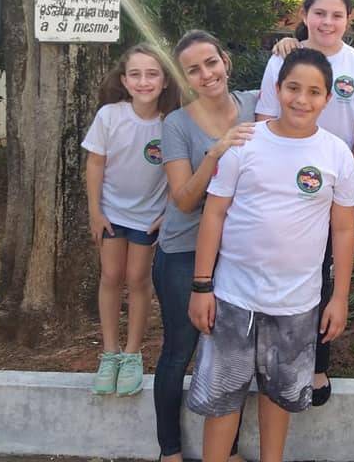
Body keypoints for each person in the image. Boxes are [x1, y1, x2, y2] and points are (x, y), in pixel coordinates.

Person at [187, 48, 354, 462]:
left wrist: (339, 297)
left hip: (297, 303)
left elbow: (343, 228)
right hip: (233, 298)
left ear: (327, 98)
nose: (302, 100)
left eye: (314, 92)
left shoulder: (336, 154)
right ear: (278, 89)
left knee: (279, 397)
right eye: (293, 88)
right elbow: (214, 214)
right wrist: (201, 286)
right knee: (222, 400)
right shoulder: (244, 142)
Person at [259, 0, 354, 405]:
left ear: (348, 20)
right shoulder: (283, 59)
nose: (327, 22)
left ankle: (317, 363)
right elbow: (263, 119)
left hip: (332, 191)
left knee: (326, 274)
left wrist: (346, 187)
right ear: (305, 14)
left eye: (336, 15)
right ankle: (267, 354)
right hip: (283, 190)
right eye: (319, 13)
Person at [153, 30, 257, 462]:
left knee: (231, 355)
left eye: (211, 62)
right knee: (180, 351)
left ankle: (227, 451)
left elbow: (297, 81)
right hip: (183, 252)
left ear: (225, 61)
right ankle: (170, 451)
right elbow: (183, 199)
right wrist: (216, 152)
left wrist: (292, 43)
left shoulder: (255, 105)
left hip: (234, 253)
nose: (206, 74)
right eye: (193, 70)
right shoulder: (176, 124)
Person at [83, 43, 181, 397]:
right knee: (111, 276)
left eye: (152, 74)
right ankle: (110, 353)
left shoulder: (171, 123)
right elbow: (95, 163)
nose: (144, 81)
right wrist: (95, 211)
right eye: (135, 74)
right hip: (111, 214)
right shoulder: (109, 116)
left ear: (165, 80)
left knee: (138, 279)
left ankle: (132, 354)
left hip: (147, 218)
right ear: (124, 80)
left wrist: (167, 212)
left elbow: (177, 172)